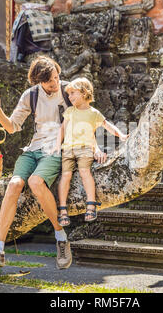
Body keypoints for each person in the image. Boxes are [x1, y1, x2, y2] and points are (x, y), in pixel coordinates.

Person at [0, 57, 107, 270]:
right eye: (50, 81)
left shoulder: (68, 91)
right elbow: (12, 126)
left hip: (56, 150)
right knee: (14, 184)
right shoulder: (31, 96)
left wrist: (95, 148)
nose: (56, 83)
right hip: (33, 149)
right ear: (38, 81)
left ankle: (61, 237)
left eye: (56, 77)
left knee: (35, 182)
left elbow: (87, 118)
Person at [52, 78, 128, 226]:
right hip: (68, 149)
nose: (70, 97)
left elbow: (108, 126)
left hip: (85, 149)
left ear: (84, 92)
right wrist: (56, 145)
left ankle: (91, 205)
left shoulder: (94, 113)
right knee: (66, 175)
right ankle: (62, 209)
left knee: (85, 172)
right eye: (69, 95)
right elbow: (62, 129)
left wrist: (122, 135)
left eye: (73, 93)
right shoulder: (70, 111)